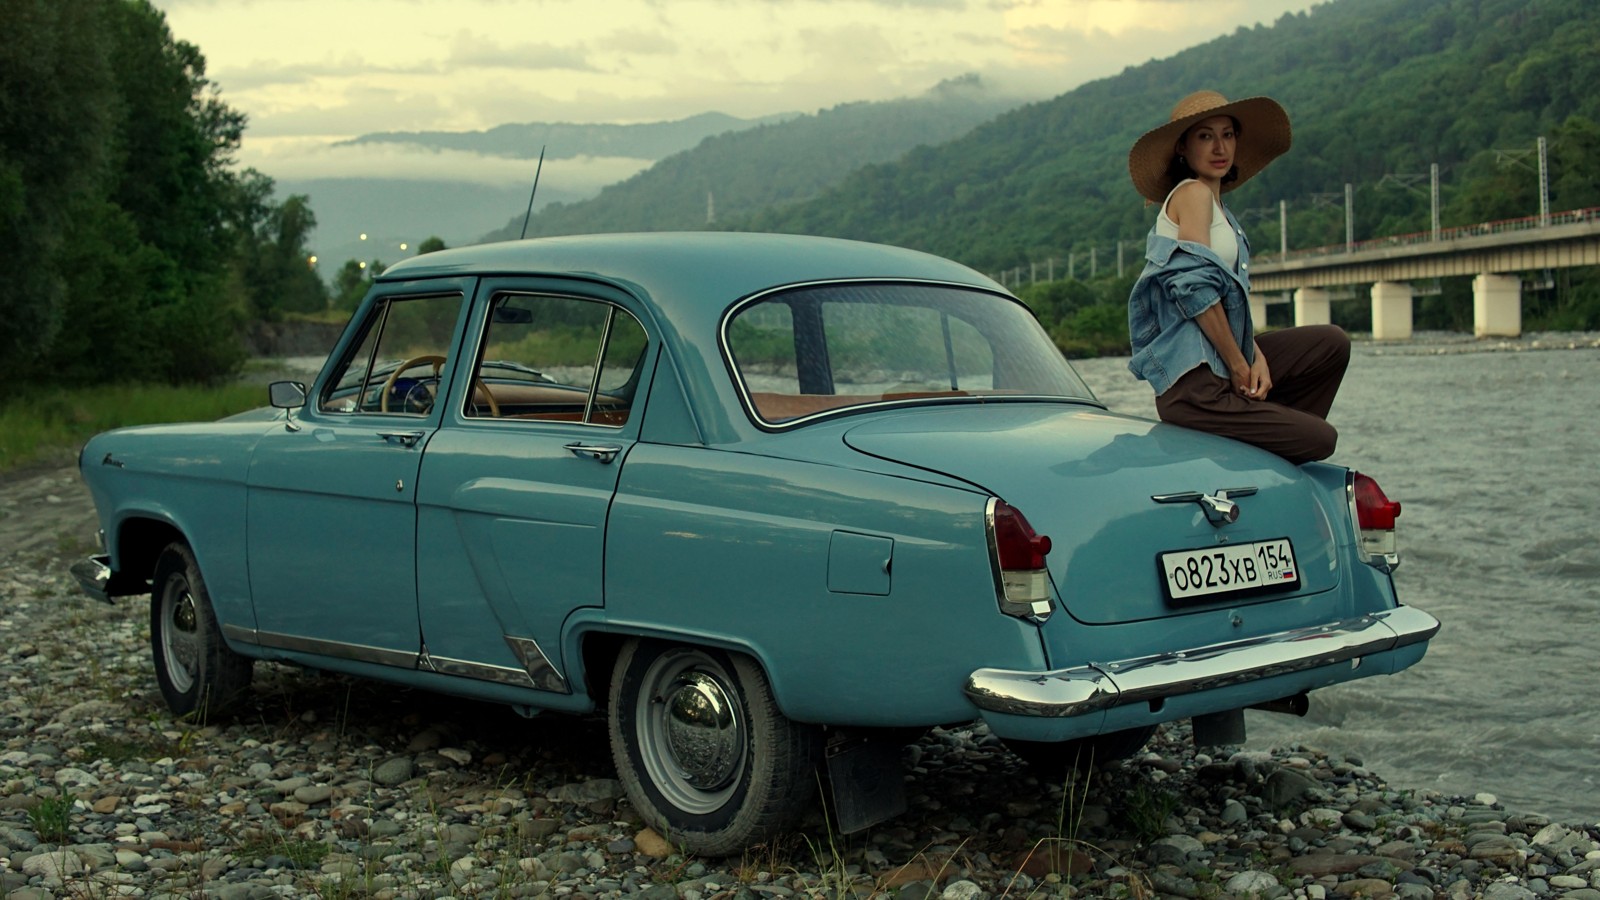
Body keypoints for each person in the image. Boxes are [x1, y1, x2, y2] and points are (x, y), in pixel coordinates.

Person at [1125, 90, 1350, 464]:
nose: (1219, 147)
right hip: (1195, 386)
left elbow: (1232, 304)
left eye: (1227, 135)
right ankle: (1265, 441)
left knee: (1329, 344)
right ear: (1182, 147)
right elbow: (1194, 291)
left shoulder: (1221, 212)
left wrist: (1255, 355)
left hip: (1221, 365)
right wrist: (1240, 365)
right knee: (1320, 439)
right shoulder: (1192, 194)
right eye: (1205, 136)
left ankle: (1259, 436)